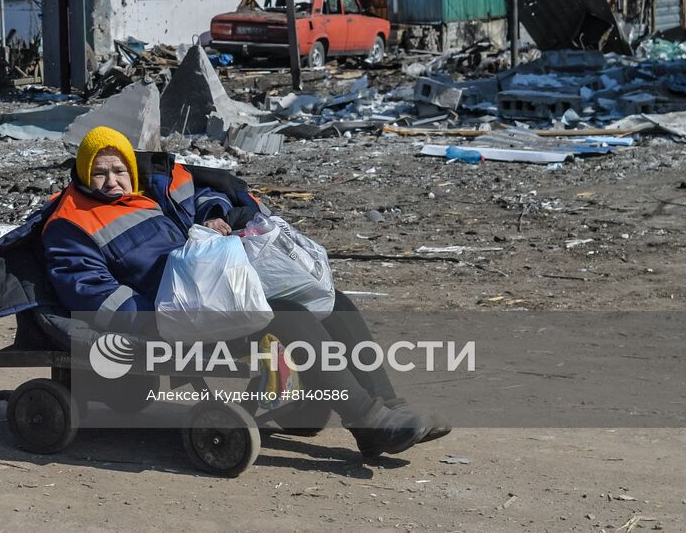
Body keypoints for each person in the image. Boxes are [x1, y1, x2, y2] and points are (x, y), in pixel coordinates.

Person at [40, 126, 450, 458]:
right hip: (169, 318)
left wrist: (213, 218)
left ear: (131, 170)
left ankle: (388, 406)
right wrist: (164, 313)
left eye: (119, 171)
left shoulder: (144, 197)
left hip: (212, 293)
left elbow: (201, 197)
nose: (112, 182)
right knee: (289, 316)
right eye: (100, 172)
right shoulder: (69, 225)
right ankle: (365, 419)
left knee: (332, 302)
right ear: (83, 174)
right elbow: (93, 296)